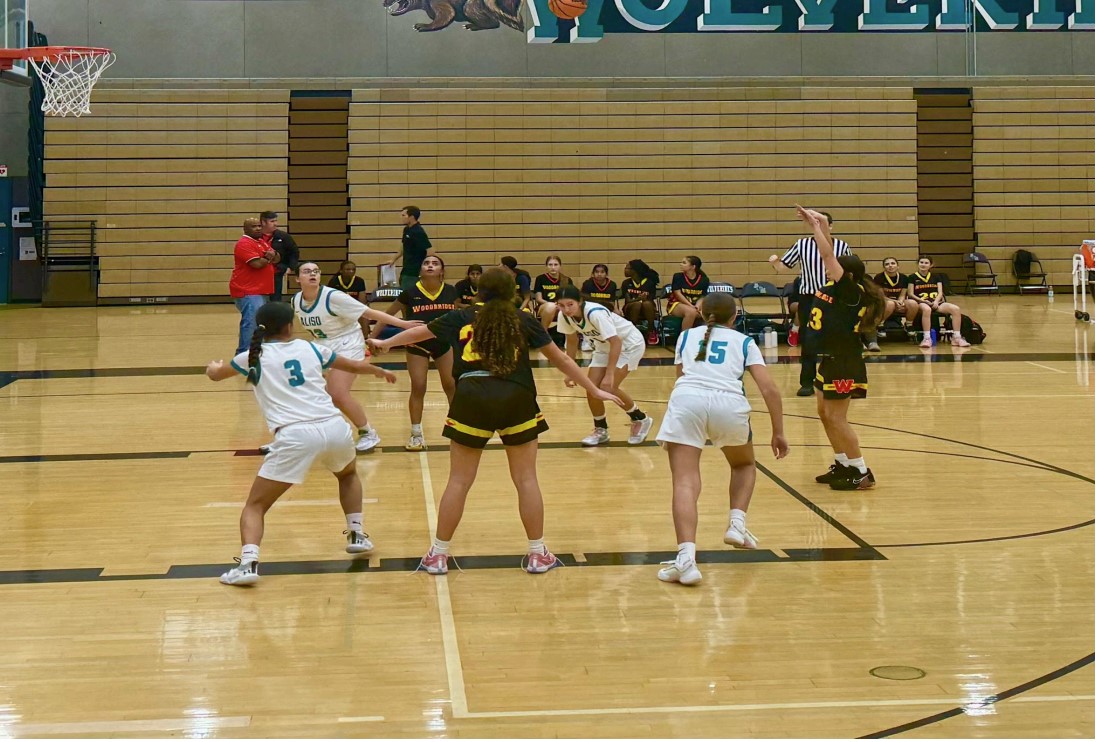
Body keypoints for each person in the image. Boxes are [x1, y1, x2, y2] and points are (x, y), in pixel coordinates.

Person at [367, 268, 624, 575]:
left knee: (459, 481)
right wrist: (593, 388)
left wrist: (385, 343)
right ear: (512, 291)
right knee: (526, 479)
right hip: (515, 395)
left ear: (479, 291)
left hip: (472, 395)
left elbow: (419, 332)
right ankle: (537, 553)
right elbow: (563, 359)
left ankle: (438, 554)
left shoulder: (461, 316)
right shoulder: (523, 318)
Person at [205, 301, 397, 586]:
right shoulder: (312, 348)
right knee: (347, 475)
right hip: (334, 427)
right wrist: (377, 371)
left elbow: (216, 375)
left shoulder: (251, 357)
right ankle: (356, 533)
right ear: (289, 326)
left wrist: (214, 366)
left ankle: (248, 564)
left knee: (256, 505)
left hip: (295, 435)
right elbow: (354, 364)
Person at [655, 292, 788, 586]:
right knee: (743, 465)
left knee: (685, 481)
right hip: (729, 404)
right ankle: (737, 525)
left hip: (687, 400)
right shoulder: (745, 341)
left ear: (701, 314)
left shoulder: (686, 337)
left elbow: (681, 375)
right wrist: (778, 431)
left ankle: (686, 561)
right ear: (735, 316)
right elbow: (770, 390)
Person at [797, 205, 886, 491]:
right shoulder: (836, 287)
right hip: (829, 359)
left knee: (837, 417)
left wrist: (815, 228)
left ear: (847, 275)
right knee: (825, 414)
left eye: (834, 267)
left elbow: (827, 254)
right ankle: (842, 464)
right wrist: (822, 224)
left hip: (844, 361)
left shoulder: (850, 292)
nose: (826, 267)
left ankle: (861, 472)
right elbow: (829, 255)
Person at [295, 261, 420, 452]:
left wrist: (403, 325)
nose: (312, 274)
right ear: (297, 278)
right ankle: (299, 434)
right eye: (307, 271)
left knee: (337, 392)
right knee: (301, 388)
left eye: (316, 271)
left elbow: (369, 312)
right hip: (321, 345)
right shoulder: (296, 300)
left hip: (347, 342)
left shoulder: (333, 297)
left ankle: (368, 433)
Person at [371, 255, 458, 451]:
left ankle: (458, 429)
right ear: (420, 270)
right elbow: (386, 315)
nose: (430, 265)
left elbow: (466, 313)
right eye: (426, 263)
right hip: (417, 345)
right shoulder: (409, 293)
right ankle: (416, 433)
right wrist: (372, 338)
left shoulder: (452, 291)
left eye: (435, 264)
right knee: (418, 386)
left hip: (444, 344)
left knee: (451, 385)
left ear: (442, 271)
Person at [554, 285, 654, 446]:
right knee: (591, 388)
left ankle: (641, 419)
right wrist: (570, 372)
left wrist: (609, 374)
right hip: (603, 346)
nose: (566, 309)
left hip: (628, 345)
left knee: (609, 386)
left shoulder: (595, 313)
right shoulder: (564, 316)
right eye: (561, 305)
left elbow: (616, 342)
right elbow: (572, 342)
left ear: (579, 301)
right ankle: (601, 430)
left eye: (570, 304)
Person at [768, 212, 852, 397]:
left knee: (838, 339)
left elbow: (850, 271)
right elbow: (783, 267)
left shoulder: (842, 246)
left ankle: (837, 379)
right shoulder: (802, 244)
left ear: (830, 226)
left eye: (823, 223)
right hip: (810, 298)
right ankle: (807, 382)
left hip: (836, 297)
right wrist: (775, 263)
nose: (820, 227)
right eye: (815, 223)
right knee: (809, 340)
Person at [230, 217, 277, 355]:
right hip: (248, 290)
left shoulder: (261, 242)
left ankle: (257, 352)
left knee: (260, 323)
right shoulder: (244, 244)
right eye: (253, 226)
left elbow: (277, 257)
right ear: (245, 229)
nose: (258, 228)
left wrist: (271, 256)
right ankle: (243, 354)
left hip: (261, 289)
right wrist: (268, 257)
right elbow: (256, 264)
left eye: (259, 226)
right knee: (250, 323)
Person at [906, 257, 972, 349]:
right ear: (918, 264)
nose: (923, 264)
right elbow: (910, 294)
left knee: (955, 309)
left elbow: (940, 292)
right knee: (927, 309)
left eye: (926, 263)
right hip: (921, 302)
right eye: (921, 262)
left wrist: (936, 302)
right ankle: (927, 338)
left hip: (936, 302)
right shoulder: (912, 277)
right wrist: (922, 301)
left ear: (931, 265)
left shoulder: (936, 277)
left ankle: (957, 337)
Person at [864, 257, 909, 351]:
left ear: (898, 266)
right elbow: (881, 296)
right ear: (884, 267)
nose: (890, 266)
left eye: (893, 263)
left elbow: (903, 294)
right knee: (890, 304)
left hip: (898, 302)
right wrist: (895, 302)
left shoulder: (904, 278)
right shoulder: (879, 277)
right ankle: (880, 326)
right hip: (884, 302)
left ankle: (910, 326)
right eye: (887, 264)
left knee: (913, 304)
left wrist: (900, 301)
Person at [386, 206, 434, 292]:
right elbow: (404, 246)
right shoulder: (407, 229)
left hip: (414, 272)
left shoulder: (418, 232)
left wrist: (425, 270)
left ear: (411, 217)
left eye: (404, 215)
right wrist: (393, 259)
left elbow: (430, 251)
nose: (401, 218)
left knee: (409, 296)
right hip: (406, 268)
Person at [260, 211, 299, 302]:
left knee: (276, 299)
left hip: (276, 272)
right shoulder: (256, 237)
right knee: (259, 300)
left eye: (276, 221)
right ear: (263, 222)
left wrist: (291, 267)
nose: (275, 224)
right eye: (272, 221)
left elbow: (294, 252)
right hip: (259, 273)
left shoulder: (283, 236)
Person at [621, 259, 660, 345]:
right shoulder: (626, 283)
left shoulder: (649, 283)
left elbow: (651, 299)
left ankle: (651, 330)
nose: (625, 270)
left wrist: (645, 299)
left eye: (627, 268)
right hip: (631, 308)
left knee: (646, 304)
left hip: (647, 309)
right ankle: (632, 331)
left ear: (634, 270)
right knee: (637, 304)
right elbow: (628, 301)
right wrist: (638, 299)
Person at [668, 256, 710, 333]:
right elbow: (677, 294)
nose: (680, 264)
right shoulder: (678, 276)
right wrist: (691, 307)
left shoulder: (704, 279)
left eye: (684, 263)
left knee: (709, 313)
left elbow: (703, 296)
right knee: (691, 312)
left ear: (693, 267)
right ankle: (684, 338)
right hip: (676, 304)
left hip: (696, 306)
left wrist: (697, 306)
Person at [533, 255, 573, 330]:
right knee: (551, 307)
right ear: (546, 266)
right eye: (550, 265)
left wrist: (560, 306)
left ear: (560, 266)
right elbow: (538, 299)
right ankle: (543, 332)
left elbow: (570, 298)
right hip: (544, 307)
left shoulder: (567, 280)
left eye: (556, 265)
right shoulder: (540, 278)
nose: (553, 267)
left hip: (562, 308)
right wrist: (553, 305)